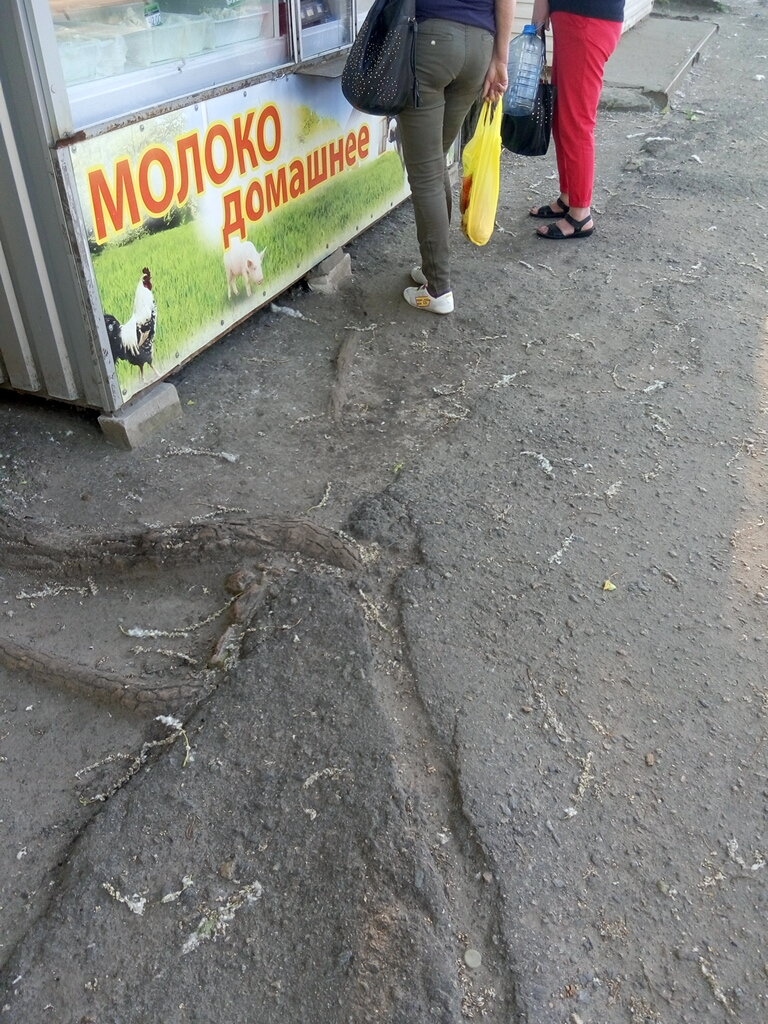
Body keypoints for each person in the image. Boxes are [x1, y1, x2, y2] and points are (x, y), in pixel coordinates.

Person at [397, 0, 515, 314]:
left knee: (426, 174)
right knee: (435, 163)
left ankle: (436, 291)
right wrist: (501, 58)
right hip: (479, 48)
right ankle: (433, 268)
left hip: (430, 42)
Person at [529, 0, 625, 240]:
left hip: (587, 17)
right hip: (574, 16)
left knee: (576, 122)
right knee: (562, 116)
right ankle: (569, 198)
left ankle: (580, 214)